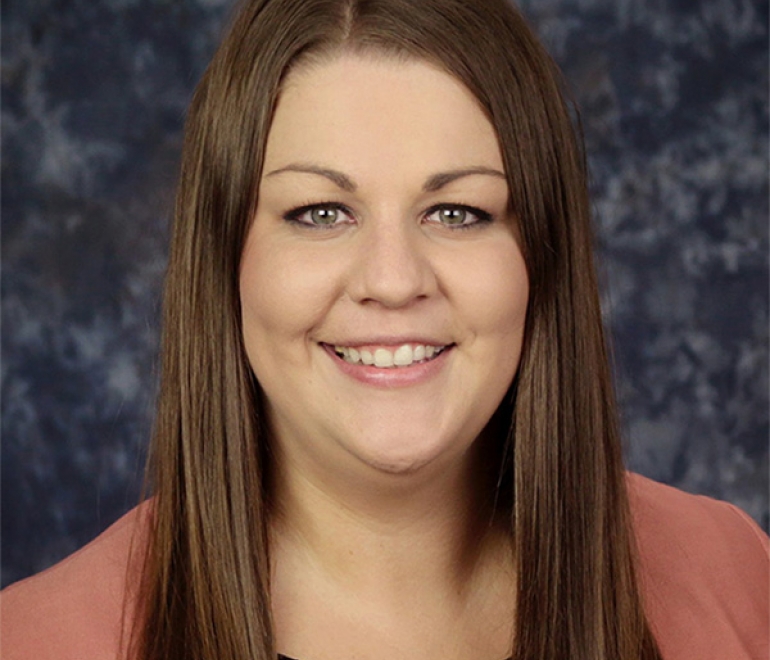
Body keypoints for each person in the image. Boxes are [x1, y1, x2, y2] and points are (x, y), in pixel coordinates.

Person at [2, 0, 767, 659]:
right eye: (320, 214)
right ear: (226, 261)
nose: (394, 280)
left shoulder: (733, 578)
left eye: (457, 212)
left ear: (541, 255)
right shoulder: (36, 641)